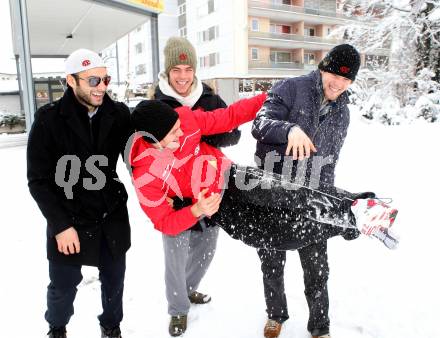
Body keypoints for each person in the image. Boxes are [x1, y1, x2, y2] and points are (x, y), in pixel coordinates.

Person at [128, 92, 398, 336]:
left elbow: (230, 115)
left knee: (290, 193)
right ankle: (352, 222)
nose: (180, 133)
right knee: (280, 236)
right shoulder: (145, 175)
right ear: (152, 140)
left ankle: (358, 207)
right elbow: (163, 222)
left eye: (179, 127)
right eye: (172, 133)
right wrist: (195, 210)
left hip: (232, 176)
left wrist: (272, 96)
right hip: (221, 209)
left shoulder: (185, 119)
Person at [251, 44, 370, 338]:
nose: (338, 83)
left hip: (311, 197)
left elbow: (329, 163)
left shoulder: (343, 113)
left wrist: (332, 208)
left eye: (346, 79)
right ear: (323, 68)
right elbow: (260, 123)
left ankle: (320, 326)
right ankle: (275, 315)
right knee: (272, 261)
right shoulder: (291, 89)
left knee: (317, 267)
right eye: (334, 74)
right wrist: (288, 129)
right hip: (273, 193)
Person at [27, 49, 132, 338]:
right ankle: (56, 329)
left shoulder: (118, 114)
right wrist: (61, 226)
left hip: (110, 213)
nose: (102, 87)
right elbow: (38, 181)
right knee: (62, 286)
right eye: (93, 80)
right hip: (68, 216)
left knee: (114, 283)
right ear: (71, 81)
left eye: (106, 79)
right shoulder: (49, 120)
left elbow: (141, 149)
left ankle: (111, 327)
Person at [150, 36, 241, 337]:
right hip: (174, 194)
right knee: (175, 257)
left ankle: (189, 290)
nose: (183, 76)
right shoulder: (157, 104)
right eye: (176, 69)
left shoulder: (210, 98)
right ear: (167, 71)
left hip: (208, 189)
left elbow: (234, 133)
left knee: (206, 248)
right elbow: (147, 148)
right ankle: (178, 310)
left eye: (188, 68)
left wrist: (203, 135)